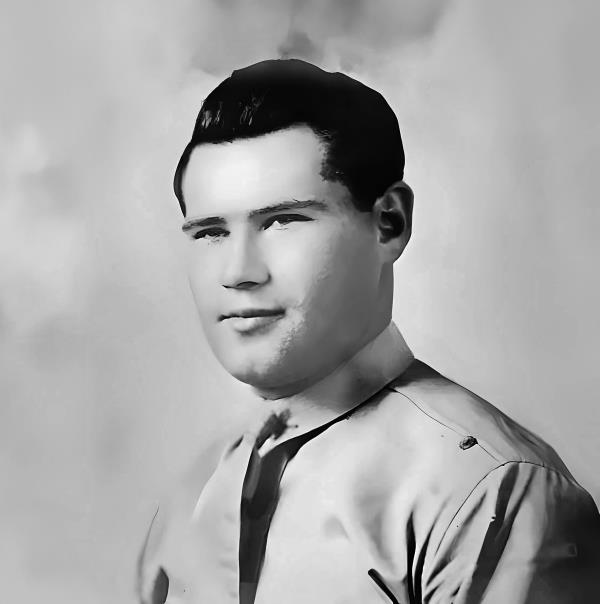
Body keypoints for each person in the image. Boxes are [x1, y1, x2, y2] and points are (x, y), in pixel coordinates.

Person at [137, 59, 600, 604]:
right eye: (211, 231)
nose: (239, 270)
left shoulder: (490, 493)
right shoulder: (187, 501)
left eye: (284, 220)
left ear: (389, 223)